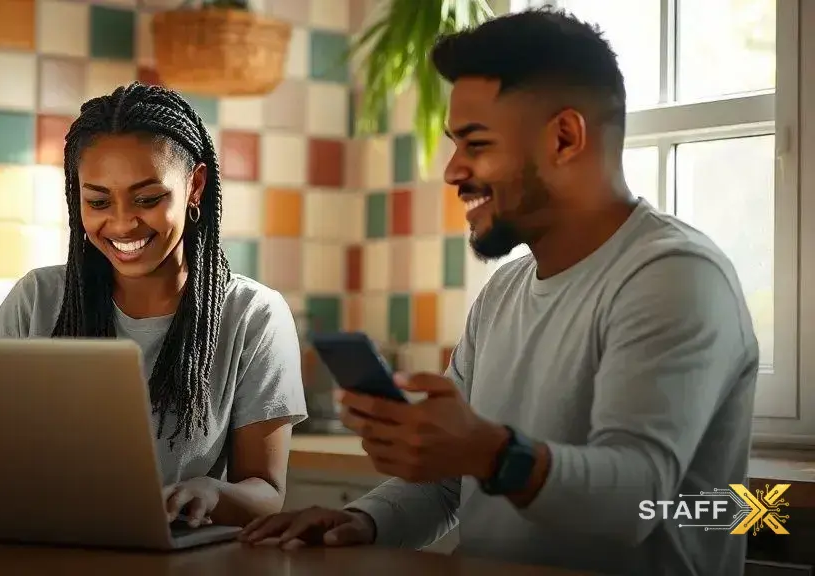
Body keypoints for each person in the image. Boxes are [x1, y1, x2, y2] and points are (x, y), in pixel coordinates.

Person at [238, 8, 759, 576]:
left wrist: (489, 450)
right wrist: (362, 521)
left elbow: (634, 500)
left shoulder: (674, 276)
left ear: (565, 137)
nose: (453, 170)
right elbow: (448, 485)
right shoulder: (502, 292)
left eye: (476, 144)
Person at [0, 82, 308, 529]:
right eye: (97, 201)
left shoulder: (254, 315)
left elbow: (266, 493)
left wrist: (213, 492)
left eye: (148, 198)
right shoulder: (37, 300)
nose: (120, 223)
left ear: (195, 185)